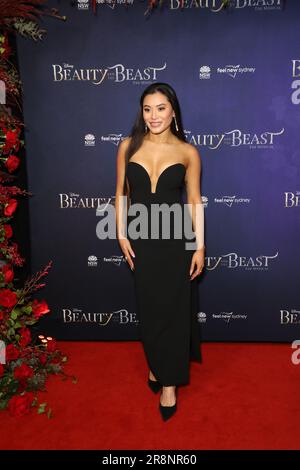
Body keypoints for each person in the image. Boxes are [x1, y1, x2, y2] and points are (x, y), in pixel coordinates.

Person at [115, 82, 205, 421]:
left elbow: (194, 202)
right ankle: (156, 364)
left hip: (176, 238)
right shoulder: (127, 146)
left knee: (174, 309)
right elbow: (121, 193)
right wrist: (121, 234)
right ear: (142, 112)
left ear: (173, 110)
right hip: (141, 239)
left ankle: (169, 384)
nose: (154, 115)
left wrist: (200, 244)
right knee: (150, 308)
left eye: (161, 108)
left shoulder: (188, 152)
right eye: (148, 109)